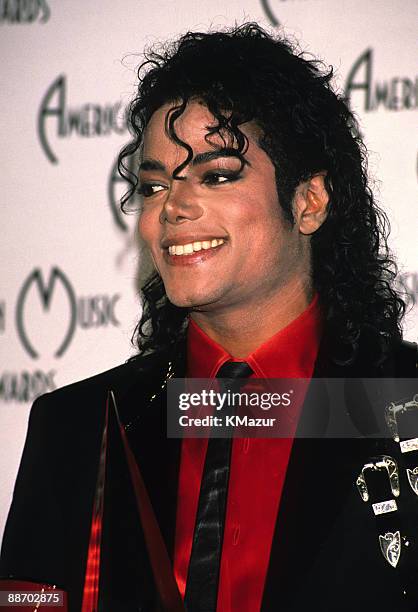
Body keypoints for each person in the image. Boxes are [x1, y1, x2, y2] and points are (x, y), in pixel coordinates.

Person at [1, 22, 417, 612]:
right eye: (153, 186)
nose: (174, 206)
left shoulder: (407, 406)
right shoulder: (76, 426)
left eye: (217, 175)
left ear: (308, 202)